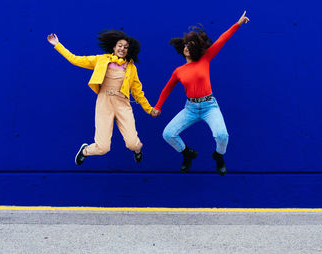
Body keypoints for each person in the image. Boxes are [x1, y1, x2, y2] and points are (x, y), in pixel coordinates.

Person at [152, 11, 250, 176]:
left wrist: (237, 24)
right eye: (185, 46)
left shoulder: (205, 59)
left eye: (190, 46)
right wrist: (158, 106)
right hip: (190, 108)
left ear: (196, 48)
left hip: (209, 106)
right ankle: (187, 154)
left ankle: (218, 156)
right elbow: (167, 89)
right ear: (182, 49)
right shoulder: (179, 71)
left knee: (222, 135)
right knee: (168, 134)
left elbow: (221, 40)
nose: (187, 48)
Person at [47, 30, 158, 165]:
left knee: (133, 144)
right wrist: (57, 44)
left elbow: (138, 92)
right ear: (114, 47)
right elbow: (75, 59)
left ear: (129, 51)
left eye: (126, 47)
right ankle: (85, 151)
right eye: (120, 45)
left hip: (122, 104)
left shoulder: (131, 68)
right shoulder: (101, 59)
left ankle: (137, 151)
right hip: (104, 102)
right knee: (103, 148)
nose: (122, 49)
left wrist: (149, 109)